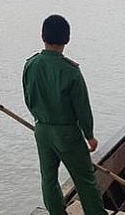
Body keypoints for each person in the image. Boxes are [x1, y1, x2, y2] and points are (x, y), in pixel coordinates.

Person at [22, 14, 107, 215]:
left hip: (42, 130)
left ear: (43, 36)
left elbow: (29, 98)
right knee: (85, 179)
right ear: (66, 39)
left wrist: (42, 120)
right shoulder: (71, 72)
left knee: (48, 178)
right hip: (67, 133)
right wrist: (90, 136)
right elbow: (83, 109)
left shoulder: (31, 65)